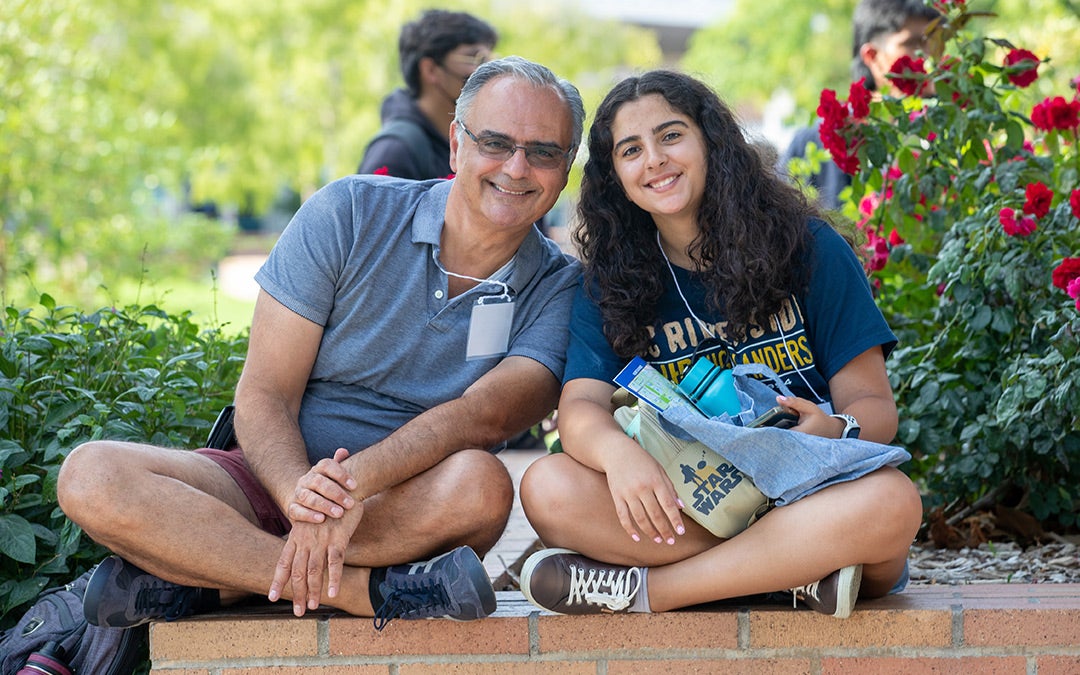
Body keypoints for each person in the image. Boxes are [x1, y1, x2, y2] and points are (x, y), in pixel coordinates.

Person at [57, 56, 585, 629]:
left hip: (405, 507)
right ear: (457, 145)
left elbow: (481, 417)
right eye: (495, 142)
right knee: (90, 474)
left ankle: (220, 577)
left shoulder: (561, 287)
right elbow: (265, 393)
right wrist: (298, 496)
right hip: (265, 482)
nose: (516, 167)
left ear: (566, 169)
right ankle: (362, 592)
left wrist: (346, 491)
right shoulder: (349, 212)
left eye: (543, 152)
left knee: (482, 487)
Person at [517, 70, 922, 620]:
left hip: (814, 491)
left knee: (893, 502)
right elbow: (581, 408)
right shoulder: (607, 282)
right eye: (631, 150)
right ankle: (793, 574)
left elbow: (874, 407)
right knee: (549, 487)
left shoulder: (809, 248)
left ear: (712, 141)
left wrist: (836, 428)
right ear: (615, 177)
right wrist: (619, 456)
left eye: (671, 136)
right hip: (698, 501)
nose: (654, 160)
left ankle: (652, 592)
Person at [780, 0, 943, 208]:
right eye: (914, 43)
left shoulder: (952, 132)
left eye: (936, 42)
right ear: (872, 56)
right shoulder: (809, 147)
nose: (929, 56)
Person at [357, 9, 497, 179]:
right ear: (430, 69)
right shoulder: (394, 152)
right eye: (476, 58)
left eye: (489, 59)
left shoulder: (468, 139)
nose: (487, 71)